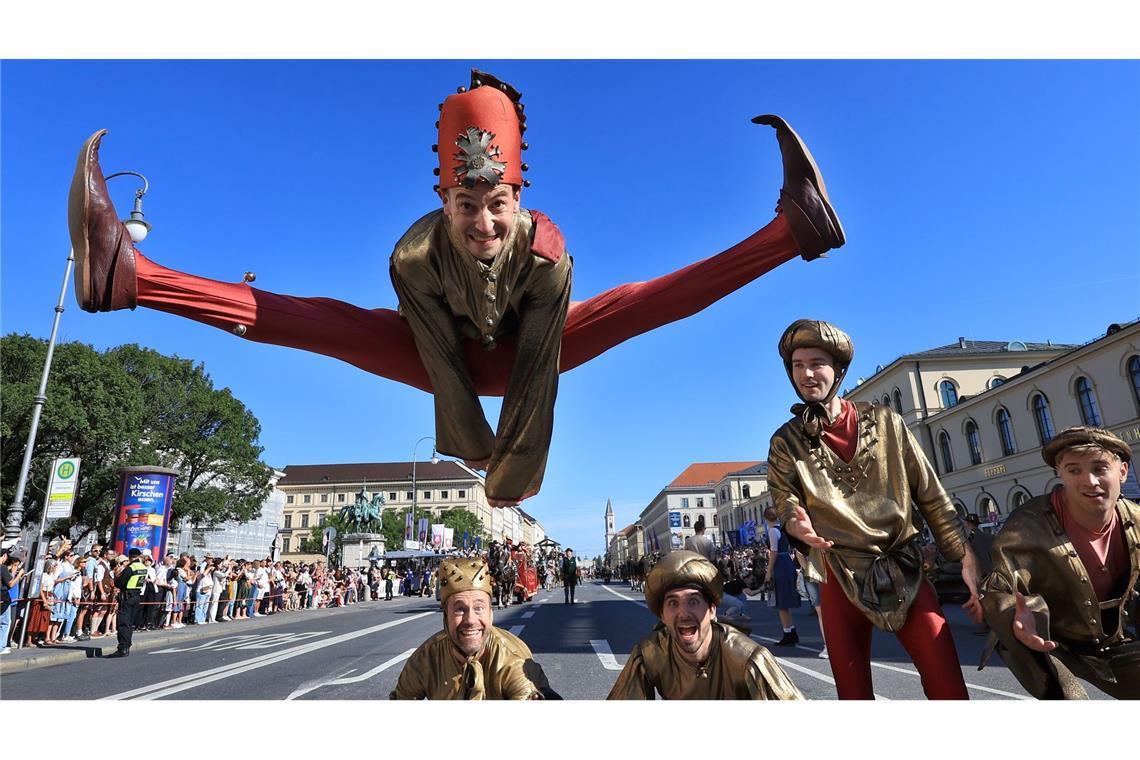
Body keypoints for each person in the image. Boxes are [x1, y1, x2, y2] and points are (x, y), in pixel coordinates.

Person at [67, 71, 845, 509]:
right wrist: (471, 446)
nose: (482, 224)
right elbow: (440, 364)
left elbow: (537, 378)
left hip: (526, 355)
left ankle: (791, 232)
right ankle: (130, 276)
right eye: (466, 207)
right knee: (320, 321)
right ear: (444, 205)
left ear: (519, 198)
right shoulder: (412, 259)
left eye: (496, 205)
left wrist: (510, 479)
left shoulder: (546, 257)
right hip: (445, 362)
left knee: (641, 302)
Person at [766, 319, 981, 700]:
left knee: (946, 680)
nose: (806, 373)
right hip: (838, 574)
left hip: (903, 567)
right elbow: (785, 500)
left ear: (839, 370)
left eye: (816, 362)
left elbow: (929, 493)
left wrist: (964, 556)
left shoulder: (886, 422)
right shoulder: (786, 441)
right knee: (853, 695)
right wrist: (795, 523)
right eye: (797, 365)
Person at [979, 426, 1139, 699]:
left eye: (1100, 468)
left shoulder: (1135, 519)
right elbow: (997, 589)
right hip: (1047, 641)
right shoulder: (1028, 524)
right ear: (1060, 474)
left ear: (1122, 471)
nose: (1090, 481)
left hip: (1110, 640)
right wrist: (1018, 618)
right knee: (1070, 699)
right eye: (1074, 470)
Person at [607, 550, 802, 700]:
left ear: (712, 610)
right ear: (662, 615)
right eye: (673, 603)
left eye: (693, 601)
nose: (683, 613)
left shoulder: (748, 659)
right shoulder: (649, 656)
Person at [391, 557, 557, 699]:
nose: (470, 620)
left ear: (491, 614)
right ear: (445, 616)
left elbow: (523, 691)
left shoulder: (512, 659)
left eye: (479, 608)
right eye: (459, 609)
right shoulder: (425, 659)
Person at [763, 506, 802, 646]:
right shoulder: (783, 530)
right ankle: (791, 631)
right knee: (784, 601)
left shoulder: (772, 531)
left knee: (781, 602)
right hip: (787, 562)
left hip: (780, 564)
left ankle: (788, 633)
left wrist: (768, 571)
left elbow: (773, 552)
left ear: (766, 518)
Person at [107, 548, 148, 658]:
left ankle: (123, 648)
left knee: (123, 623)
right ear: (139, 556)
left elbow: (119, 583)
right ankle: (127, 645)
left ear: (130, 557)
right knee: (129, 623)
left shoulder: (130, 568)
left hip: (127, 597)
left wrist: (117, 575)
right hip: (136, 596)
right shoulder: (144, 568)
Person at [1, 549, 26, 654]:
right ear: (4, 556)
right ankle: (1, 646)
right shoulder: (2, 568)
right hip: (3, 597)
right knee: (5, 622)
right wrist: (19, 574)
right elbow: (10, 584)